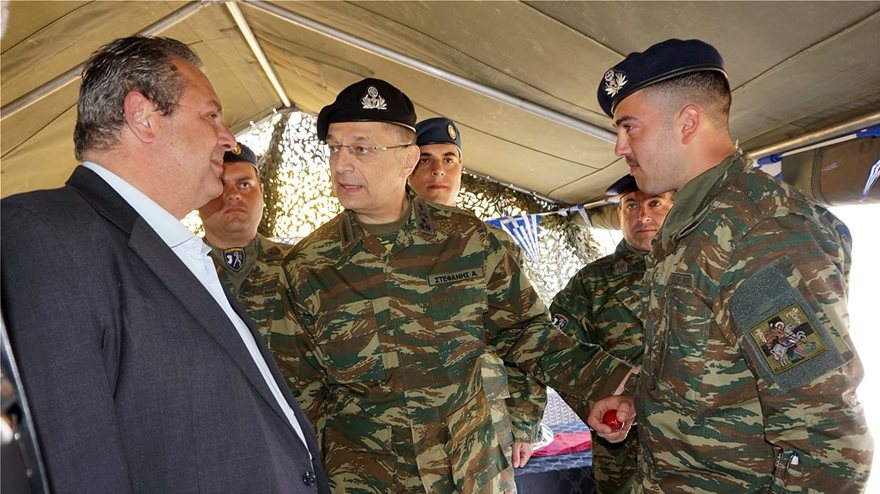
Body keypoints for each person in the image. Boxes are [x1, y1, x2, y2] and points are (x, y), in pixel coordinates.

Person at [0, 36, 329, 493]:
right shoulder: (44, 232)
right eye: (211, 115)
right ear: (144, 117)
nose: (229, 138)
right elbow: (73, 460)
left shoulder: (166, 247)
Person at [282, 78, 635, 494]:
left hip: (471, 470)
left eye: (361, 149)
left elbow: (525, 332)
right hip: (366, 478)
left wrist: (612, 383)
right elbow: (298, 389)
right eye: (334, 148)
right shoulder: (307, 265)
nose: (341, 164)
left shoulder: (469, 240)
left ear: (406, 158)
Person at [586, 38, 874, 491]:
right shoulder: (696, 225)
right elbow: (718, 369)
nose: (619, 147)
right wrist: (645, 403)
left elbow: (825, 436)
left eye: (629, 127)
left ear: (687, 122)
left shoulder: (758, 233)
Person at [409, 117, 548, 473]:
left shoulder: (494, 245)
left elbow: (524, 333)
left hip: (483, 422)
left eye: (449, 159)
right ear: (406, 167)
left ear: (461, 168)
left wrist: (525, 421)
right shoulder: (380, 243)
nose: (438, 170)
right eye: (424, 159)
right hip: (404, 426)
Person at [550, 174, 673, 493]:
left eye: (655, 204)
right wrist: (599, 404)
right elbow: (553, 352)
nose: (642, 215)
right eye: (631, 205)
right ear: (619, 213)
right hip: (626, 458)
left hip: (706, 452)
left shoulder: (707, 268)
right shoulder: (591, 283)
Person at [198, 142, 301, 385]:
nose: (233, 194)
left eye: (244, 184)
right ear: (200, 195)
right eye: (220, 185)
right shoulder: (175, 270)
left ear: (261, 192)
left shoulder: (301, 264)